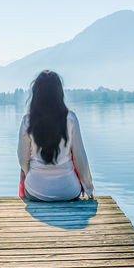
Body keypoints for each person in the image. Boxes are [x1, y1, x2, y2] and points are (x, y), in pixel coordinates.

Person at [18, 70, 95, 201]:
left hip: (35, 191)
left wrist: (30, 173)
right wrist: (88, 187)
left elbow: (22, 158)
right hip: (69, 191)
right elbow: (80, 157)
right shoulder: (71, 118)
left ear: (36, 94)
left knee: (26, 161)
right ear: (59, 93)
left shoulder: (27, 121)